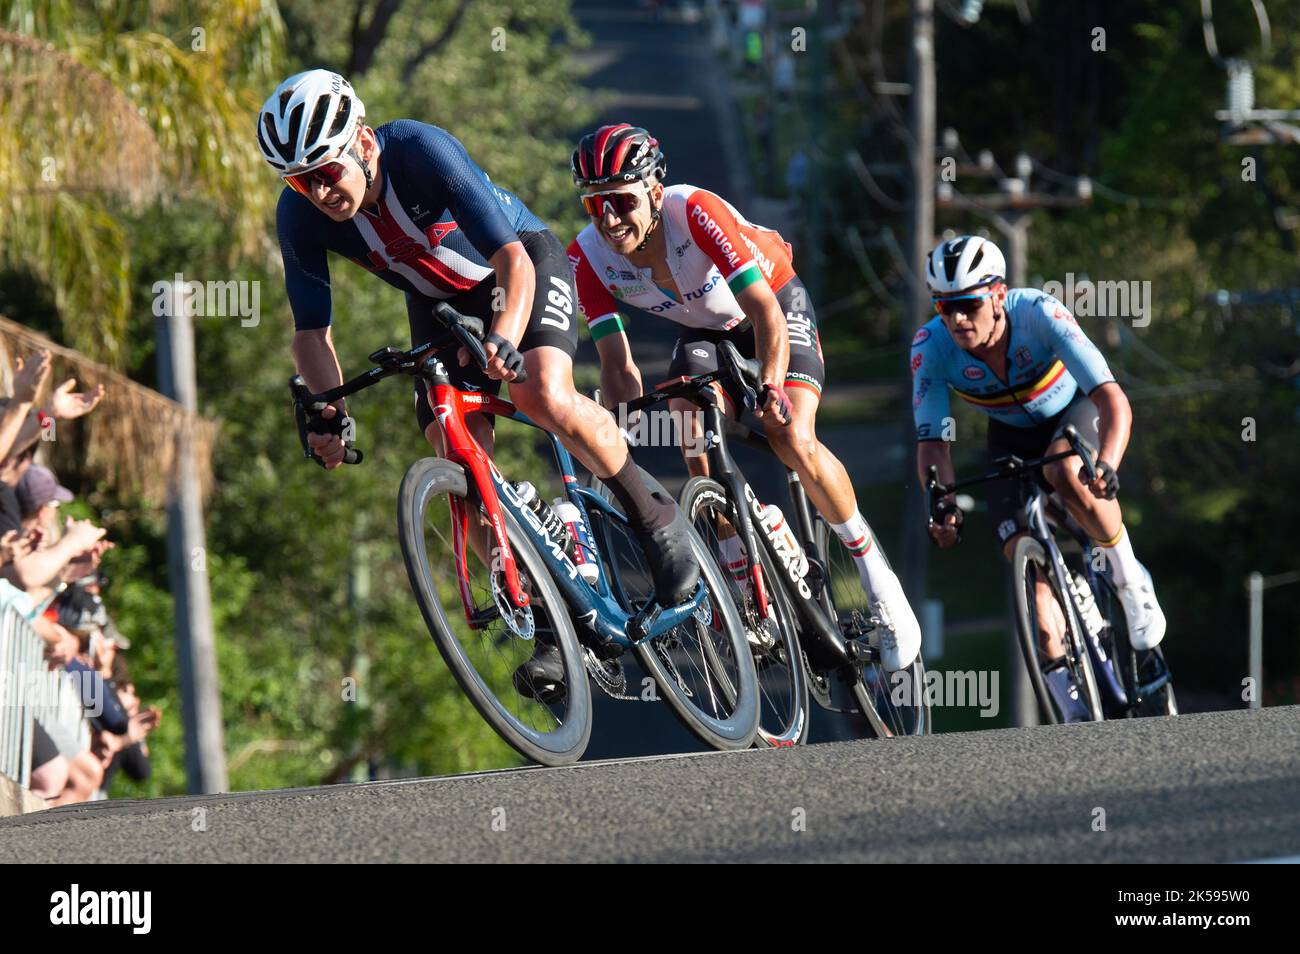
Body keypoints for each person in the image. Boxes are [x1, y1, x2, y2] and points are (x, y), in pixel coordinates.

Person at [258, 71, 699, 698]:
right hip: (437, 303)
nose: (321, 192)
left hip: (521, 264)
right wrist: (327, 411)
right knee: (452, 442)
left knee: (541, 392)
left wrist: (504, 336)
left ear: (362, 141)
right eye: (303, 181)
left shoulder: (417, 149)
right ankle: (550, 620)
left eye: (327, 171)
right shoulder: (299, 215)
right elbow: (310, 334)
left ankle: (657, 519)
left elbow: (512, 261)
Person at [568, 123, 921, 671]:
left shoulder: (695, 210)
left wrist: (772, 382)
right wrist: (617, 431)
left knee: (789, 434)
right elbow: (619, 366)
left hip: (773, 307)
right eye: (595, 207)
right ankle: (744, 571)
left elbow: (765, 312)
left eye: (620, 201)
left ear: (655, 192)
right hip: (707, 332)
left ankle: (876, 572)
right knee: (690, 422)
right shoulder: (588, 256)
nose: (609, 220)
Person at [912, 235, 1166, 720]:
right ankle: (1075, 717)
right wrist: (940, 504)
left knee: (1062, 468)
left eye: (967, 304)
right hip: (1007, 440)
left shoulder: (1039, 315)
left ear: (998, 295)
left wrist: (1108, 463)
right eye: (945, 308)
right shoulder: (931, 347)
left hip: (1074, 414)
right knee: (1033, 593)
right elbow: (933, 445)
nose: (957, 319)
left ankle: (1131, 580)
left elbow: (1114, 400)